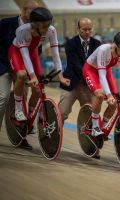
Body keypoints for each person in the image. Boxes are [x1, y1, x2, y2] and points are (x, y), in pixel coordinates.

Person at [8, 7, 70, 146]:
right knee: (22, 74)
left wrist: (60, 74)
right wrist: (32, 76)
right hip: (17, 52)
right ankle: (18, 109)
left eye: (49, 25)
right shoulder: (23, 30)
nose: (47, 29)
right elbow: (24, 55)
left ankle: (30, 114)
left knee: (39, 84)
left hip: (33, 52)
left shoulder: (51, 30)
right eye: (44, 27)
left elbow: (55, 53)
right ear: (35, 25)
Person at [82, 31, 120, 144]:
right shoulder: (103, 50)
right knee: (100, 95)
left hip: (106, 70)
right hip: (90, 70)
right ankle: (94, 127)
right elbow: (101, 75)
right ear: (115, 45)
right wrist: (108, 95)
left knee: (114, 102)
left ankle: (103, 127)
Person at [0, 0, 39, 149]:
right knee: (2, 97)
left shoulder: (36, 26)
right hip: (3, 65)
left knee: (22, 98)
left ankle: (20, 137)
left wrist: (33, 73)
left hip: (22, 68)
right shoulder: (5, 23)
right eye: (32, 11)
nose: (36, 15)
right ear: (24, 10)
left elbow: (36, 49)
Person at [58, 17, 101, 123]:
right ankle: (53, 133)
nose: (87, 32)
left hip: (87, 84)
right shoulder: (71, 43)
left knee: (90, 115)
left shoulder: (97, 44)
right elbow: (76, 65)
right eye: (84, 29)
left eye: (89, 29)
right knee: (62, 113)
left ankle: (89, 136)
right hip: (72, 83)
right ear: (78, 28)